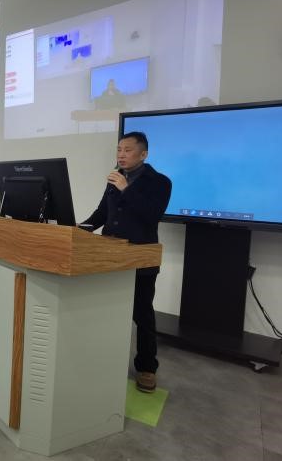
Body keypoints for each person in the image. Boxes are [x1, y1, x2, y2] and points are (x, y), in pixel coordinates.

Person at [81, 131, 171, 393]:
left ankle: (146, 367)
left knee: (142, 314)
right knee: (107, 310)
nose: (121, 154)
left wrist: (126, 189)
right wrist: (78, 228)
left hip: (141, 258)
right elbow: (102, 213)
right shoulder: (115, 178)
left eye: (127, 150)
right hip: (110, 256)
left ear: (144, 154)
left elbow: (152, 215)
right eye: (119, 149)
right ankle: (106, 358)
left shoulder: (160, 182)